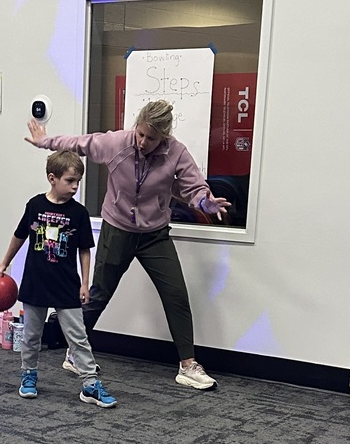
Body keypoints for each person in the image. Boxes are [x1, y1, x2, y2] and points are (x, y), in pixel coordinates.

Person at [25, 99, 230, 390]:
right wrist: (46, 141)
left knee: (176, 295)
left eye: (152, 138)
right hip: (118, 230)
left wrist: (205, 202)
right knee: (99, 295)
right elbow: (81, 143)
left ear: (164, 137)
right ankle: (74, 353)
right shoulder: (118, 143)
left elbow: (194, 187)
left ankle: (188, 366)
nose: (144, 141)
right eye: (141, 134)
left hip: (155, 235)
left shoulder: (176, 153)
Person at [0, 150, 116, 408]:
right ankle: (29, 375)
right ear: (52, 178)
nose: (75, 186)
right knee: (31, 336)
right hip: (36, 283)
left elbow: (84, 250)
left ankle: (90, 384)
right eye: (70, 181)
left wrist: (84, 283)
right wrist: (4, 262)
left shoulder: (79, 213)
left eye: (77, 182)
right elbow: (19, 236)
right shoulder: (35, 205)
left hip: (66, 285)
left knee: (78, 336)